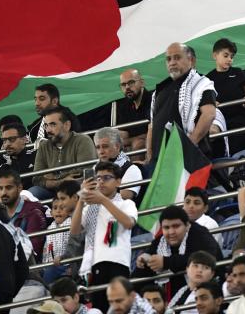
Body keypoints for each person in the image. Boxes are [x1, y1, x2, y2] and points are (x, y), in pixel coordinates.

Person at [70, 161, 136, 312]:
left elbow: (128, 223)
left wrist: (103, 200)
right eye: (98, 178)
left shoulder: (126, 203)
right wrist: (81, 198)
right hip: (95, 264)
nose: (100, 182)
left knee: (120, 308)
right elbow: (74, 231)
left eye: (106, 178)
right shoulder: (90, 207)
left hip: (118, 262)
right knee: (100, 308)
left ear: (118, 182)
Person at [144, 43, 217, 163]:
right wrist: (150, 155)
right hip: (160, 161)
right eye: (168, 59)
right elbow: (152, 126)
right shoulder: (159, 90)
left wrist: (189, 146)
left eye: (177, 57)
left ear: (191, 60)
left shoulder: (201, 83)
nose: (172, 62)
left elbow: (209, 114)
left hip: (189, 159)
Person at [134, 205, 222, 295]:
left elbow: (208, 258)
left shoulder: (200, 234)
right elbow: (139, 276)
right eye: (166, 228)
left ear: (187, 225)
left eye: (176, 226)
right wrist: (143, 262)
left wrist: (166, 262)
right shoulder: (160, 242)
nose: (171, 232)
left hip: (208, 291)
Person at [31, 106, 98, 197]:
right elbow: (37, 179)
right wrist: (61, 181)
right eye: (46, 125)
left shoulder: (82, 140)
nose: (48, 130)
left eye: (53, 125)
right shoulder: (44, 146)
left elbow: (82, 172)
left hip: (77, 189)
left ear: (67, 125)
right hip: (52, 191)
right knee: (31, 193)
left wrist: (53, 177)